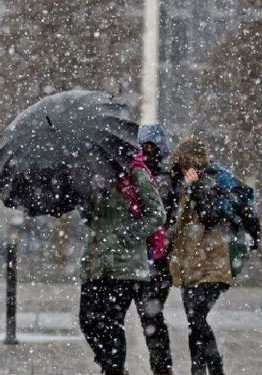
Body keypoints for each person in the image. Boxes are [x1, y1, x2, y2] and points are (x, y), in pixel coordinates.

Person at [79, 149, 166, 375]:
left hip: (125, 265)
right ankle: (110, 365)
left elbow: (157, 214)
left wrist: (127, 235)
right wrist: (86, 201)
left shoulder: (135, 173)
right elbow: (92, 219)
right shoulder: (92, 175)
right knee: (87, 320)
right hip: (95, 263)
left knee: (111, 323)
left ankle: (113, 369)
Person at [168, 138, 232, 375]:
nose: (181, 165)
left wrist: (195, 188)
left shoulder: (210, 183)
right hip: (189, 265)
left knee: (197, 319)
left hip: (210, 266)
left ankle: (214, 369)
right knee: (195, 322)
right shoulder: (183, 184)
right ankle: (198, 370)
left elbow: (210, 216)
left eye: (184, 160)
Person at [133, 123, 176, 375]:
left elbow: (161, 209)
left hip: (157, 258)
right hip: (140, 257)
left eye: (153, 147)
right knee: (148, 316)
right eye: (144, 147)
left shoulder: (167, 176)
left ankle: (162, 367)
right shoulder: (135, 173)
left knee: (151, 316)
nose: (148, 151)